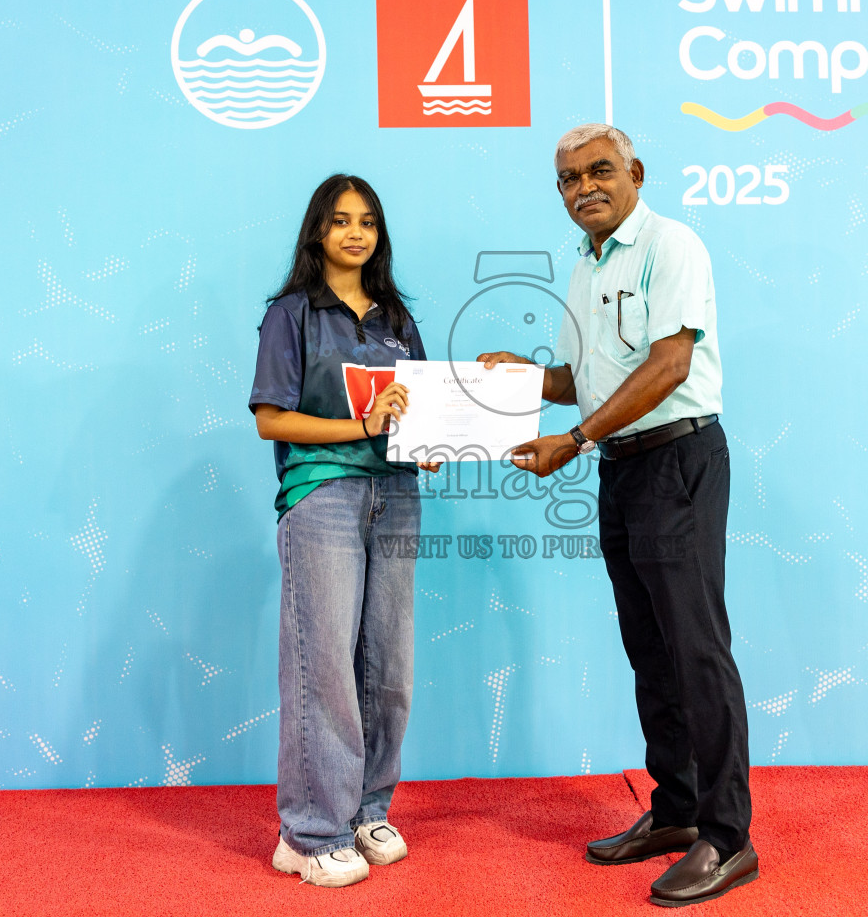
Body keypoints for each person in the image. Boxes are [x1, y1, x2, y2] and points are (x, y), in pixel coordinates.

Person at [479, 124, 756, 907]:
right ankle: (674, 812)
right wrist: (525, 382)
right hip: (622, 469)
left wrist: (572, 440)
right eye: (568, 179)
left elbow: (670, 364)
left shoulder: (673, 246)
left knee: (697, 650)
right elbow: (587, 379)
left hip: (678, 462)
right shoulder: (583, 265)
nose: (584, 187)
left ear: (636, 171)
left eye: (599, 170)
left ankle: (728, 837)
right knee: (651, 651)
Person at [249, 174, 438, 888]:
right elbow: (271, 417)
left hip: (396, 495)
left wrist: (444, 438)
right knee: (323, 663)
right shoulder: (291, 314)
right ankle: (308, 831)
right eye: (340, 221)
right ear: (317, 233)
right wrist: (361, 426)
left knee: (387, 667)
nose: (355, 233)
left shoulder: (397, 316)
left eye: (367, 222)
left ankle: (366, 808)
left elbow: (419, 409)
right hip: (323, 493)